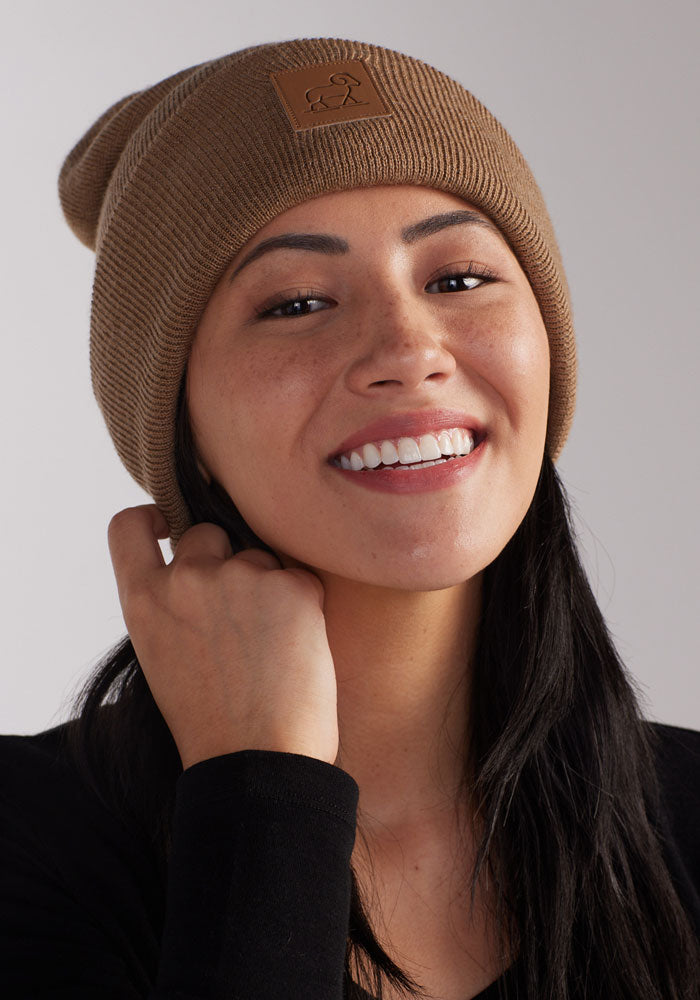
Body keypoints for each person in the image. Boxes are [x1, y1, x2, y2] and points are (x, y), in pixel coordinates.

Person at [1, 36, 698, 1000]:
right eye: (296, 302)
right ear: (181, 425)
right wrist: (259, 787)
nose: (410, 349)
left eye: (458, 279)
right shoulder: (29, 839)